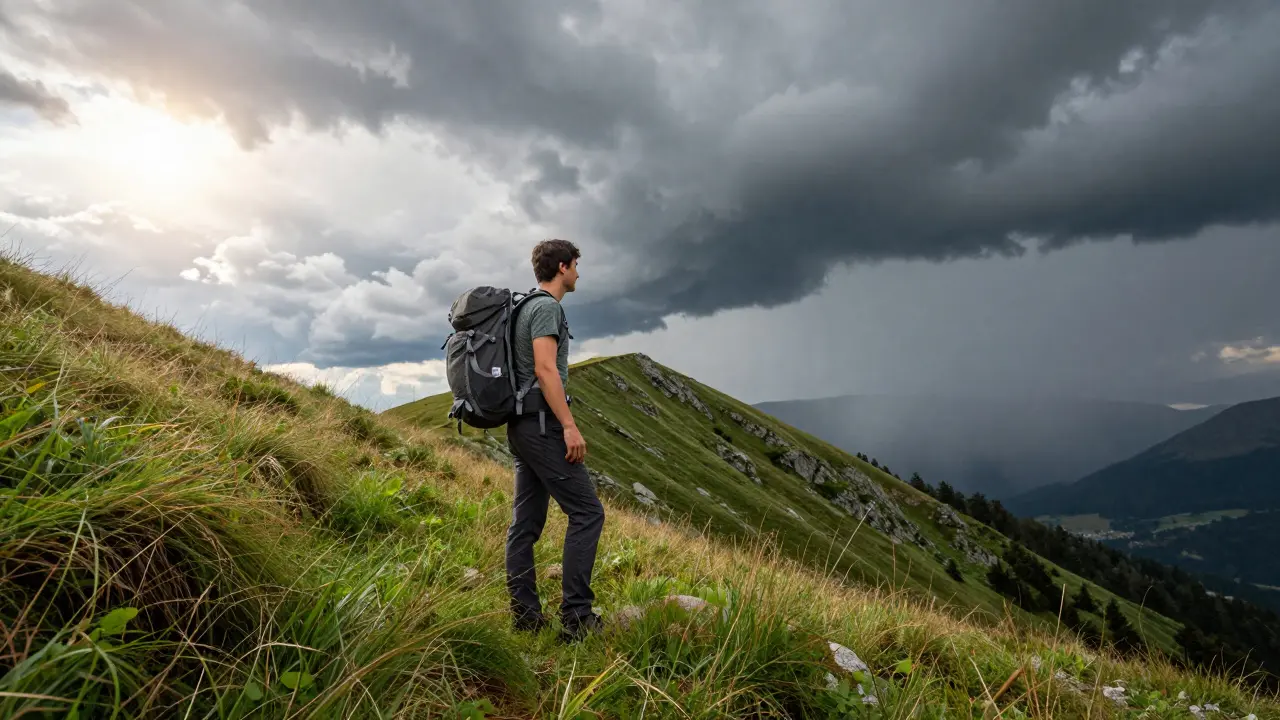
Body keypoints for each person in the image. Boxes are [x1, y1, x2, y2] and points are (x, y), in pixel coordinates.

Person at [504, 238, 605, 642]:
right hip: (543, 426)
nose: (579, 272)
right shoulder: (546, 307)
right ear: (562, 267)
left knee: (525, 524)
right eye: (577, 264)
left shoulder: (523, 306)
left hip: (521, 426)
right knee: (587, 513)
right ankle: (576, 620)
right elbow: (546, 370)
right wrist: (568, 424)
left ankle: (526, 618)